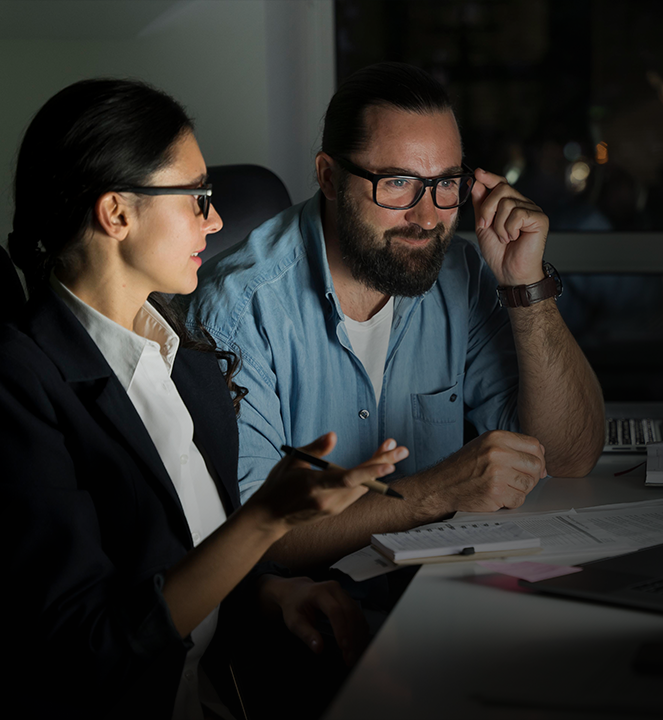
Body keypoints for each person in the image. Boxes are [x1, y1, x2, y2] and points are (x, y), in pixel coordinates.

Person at [0, 78, 407, 720]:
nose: (215, 220)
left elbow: (196, 569)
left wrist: (270, 595)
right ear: (117, 213)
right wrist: (265, 521)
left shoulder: (186, 359)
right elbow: (88, 648)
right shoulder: (12, 383)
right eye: (196, 197)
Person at [186, 62, 605, 569]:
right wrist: (437, 492)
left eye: (445, 184)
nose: (427, 217)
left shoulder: (461, 276)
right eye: (399, 183)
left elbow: (567, 457)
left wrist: (526, 287)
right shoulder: (237, 307)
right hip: (315, 617)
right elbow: (250, 538)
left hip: (441, 590)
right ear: (329, 177)